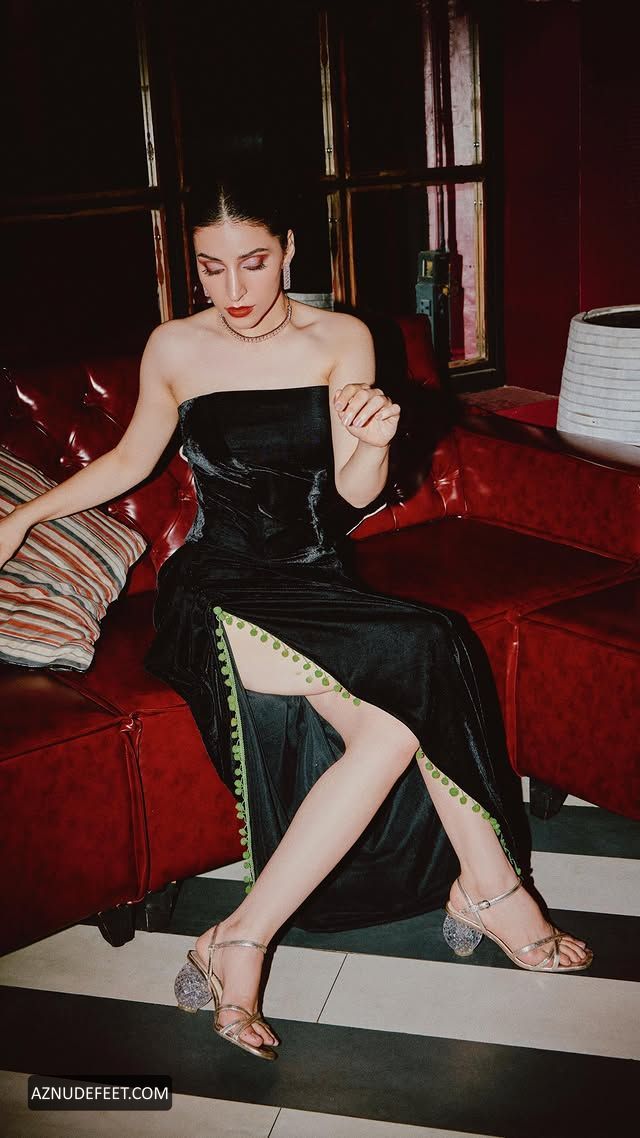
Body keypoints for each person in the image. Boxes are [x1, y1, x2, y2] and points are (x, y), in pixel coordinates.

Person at [0, 170, 592, 1063]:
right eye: (211, 268)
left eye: (252, 262)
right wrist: (22, 517)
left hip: (316, 577)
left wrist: (377, 439)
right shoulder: (176, 346)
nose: (233, 290)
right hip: (219, 584)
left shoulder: (343, 339)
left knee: (395, 714)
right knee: (427, 647)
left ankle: (244, 936)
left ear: (287, 251)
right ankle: (491, 890)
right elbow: (127, 461)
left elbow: (352, 492)